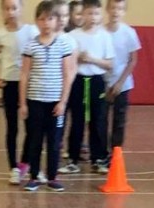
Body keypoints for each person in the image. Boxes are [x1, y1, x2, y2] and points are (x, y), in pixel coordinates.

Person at [19, 0, 75, 191]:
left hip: (55, 103)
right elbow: (24, 75)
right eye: (42, 19)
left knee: (54, 141)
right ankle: (34, 177)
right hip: (35, 101)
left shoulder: (63, 45)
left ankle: (52, 177)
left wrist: (63, 102)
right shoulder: (30, 46)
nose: (46, 23)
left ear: (57, 21)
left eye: (50, 19)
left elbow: (67, 75)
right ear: (36, 21)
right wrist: (23, 103)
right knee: (35, 139)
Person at [0, 0, 36, 184]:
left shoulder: (31, 31)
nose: (11, 12)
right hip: (9, 84)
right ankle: (13, 168)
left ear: (21, 9)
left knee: (31, 127)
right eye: (7, 9)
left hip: (29, 84)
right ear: (3, 11)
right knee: (12, 127)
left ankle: (25, 163)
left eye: (14, 8)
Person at [66, 0, 113, 174]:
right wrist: (78, 58)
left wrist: (92, 59)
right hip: (78, 81)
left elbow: (109, 64)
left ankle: (98, 158)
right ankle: (73, 159)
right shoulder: (73, 36)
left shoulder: (105, 36)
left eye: (96, 14)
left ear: (100, 16)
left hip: (96, 81)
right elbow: (67, 60)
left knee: (97, 120)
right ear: (83, 14)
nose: (93, 17)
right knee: (77, 121)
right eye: (89, 13)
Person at [103, 0, 139, 157]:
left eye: (119, 8)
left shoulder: (129, 32)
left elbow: (133, 60)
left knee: (119, 120)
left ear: (124, 11)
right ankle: (101, 153)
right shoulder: (101, 32)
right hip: (103, 83)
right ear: (107, 9)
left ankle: (115, 153)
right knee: (100, 120)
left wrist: (120, 83)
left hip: (123, 84)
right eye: (113, 8)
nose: (116, 11)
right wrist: (105, 84)